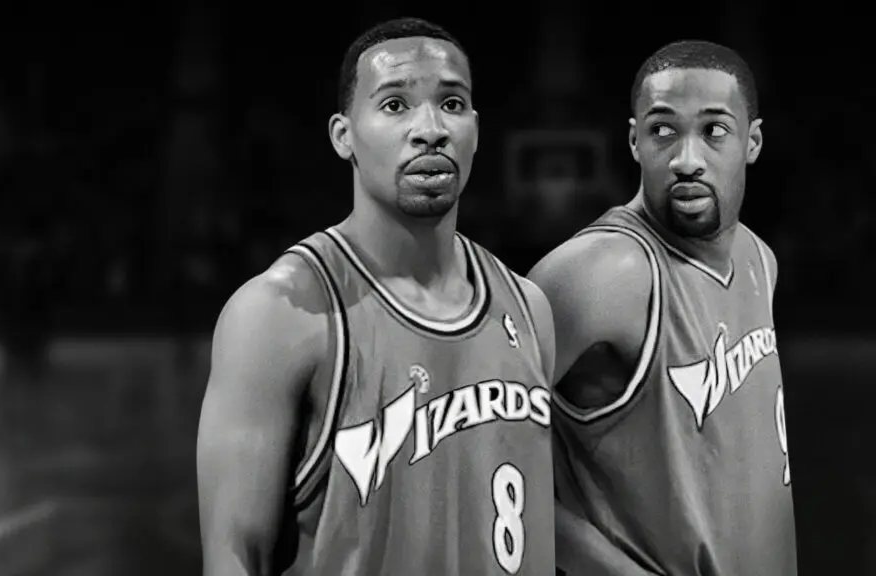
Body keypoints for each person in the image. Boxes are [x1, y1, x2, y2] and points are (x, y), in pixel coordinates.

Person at [197, 17, 557, 576]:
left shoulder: (529, 307)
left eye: (452, 104)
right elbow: (235, 557)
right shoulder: (280, 314)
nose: (430, 129)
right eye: (395, 105)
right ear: (343, 136)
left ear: (476, 129)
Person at [528, 40, 796, 575]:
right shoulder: (598, 274)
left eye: (714, 130)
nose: (686, 160)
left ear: (753, 141)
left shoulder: (759, 259)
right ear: (635, 140)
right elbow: (475, 456)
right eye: (664, 131)